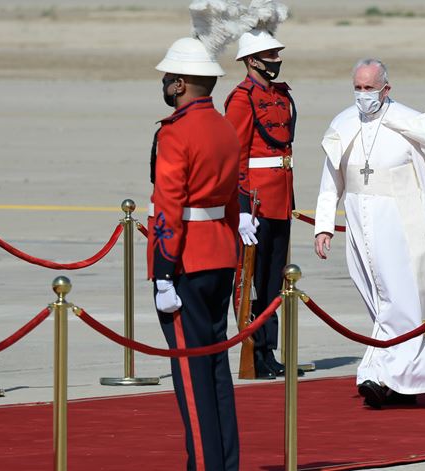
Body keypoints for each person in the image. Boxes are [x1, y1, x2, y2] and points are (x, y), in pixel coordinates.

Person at [313, 58, 425, 409]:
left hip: (403, 229)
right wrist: (324, 226)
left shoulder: (409, 123)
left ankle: (381, 375)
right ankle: (395, 379)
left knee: (401, 303)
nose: (363, 94)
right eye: (357, 87)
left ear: (386, 89)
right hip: (361, 229)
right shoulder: (343, 123)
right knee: (380, 301)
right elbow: (330, 181)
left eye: (369, 88)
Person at [148, 25, 241, 471]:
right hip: (220, 254)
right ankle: (224, 462)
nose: (166, 83)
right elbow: (233, 199)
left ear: (181, 84)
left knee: (190, 373)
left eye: (169, 77)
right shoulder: (224, 128)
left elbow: (168, 205)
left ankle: (204, 465)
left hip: (185, 260)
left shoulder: (176, 132)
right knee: (215, 367)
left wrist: (164, 271)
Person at [225, 1, 299, 380]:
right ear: (252, 61)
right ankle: (255, 350)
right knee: (253, 281)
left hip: (280, 199)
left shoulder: (280, 95)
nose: (276, 60)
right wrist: (240, 208)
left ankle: (270, 349)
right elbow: (235, 155)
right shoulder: (242, 99)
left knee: (274, 280)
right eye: (270, 55)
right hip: (254, 202)